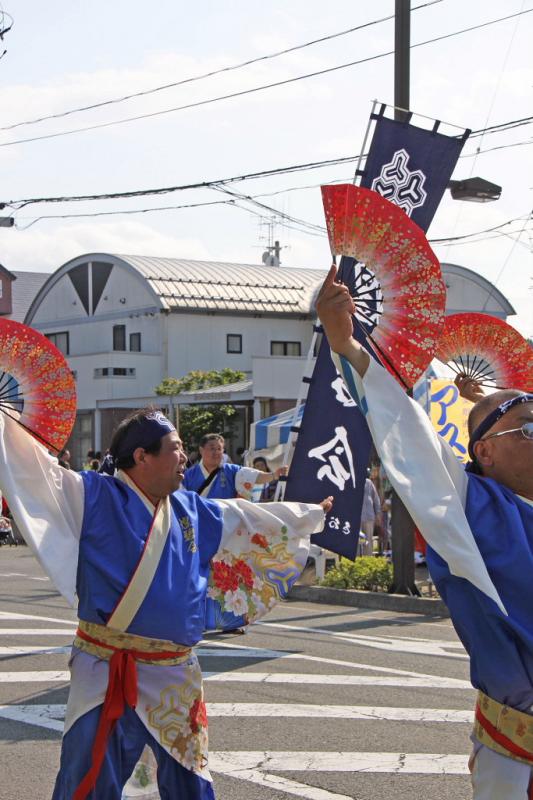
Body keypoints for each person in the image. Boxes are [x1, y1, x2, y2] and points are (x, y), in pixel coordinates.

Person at [0, 406, 331, 799]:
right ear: (141, 456)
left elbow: (246, 516)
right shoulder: (92, 495)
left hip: (174, 674)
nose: (184, 458)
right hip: (106, 669)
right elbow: (37, 473)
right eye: (174, 449)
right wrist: (5, 422)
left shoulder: (192, 510)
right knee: (87, 779)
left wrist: (306, 515)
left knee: (189, 781)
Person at [317, 264, 533, 800]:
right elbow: (409, 427)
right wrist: (347, 345)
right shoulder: (471, 510)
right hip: (520, 752)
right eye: (529, 428)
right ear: (483, 451)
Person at [182, 433, 287, 500]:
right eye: (212, 448)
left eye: (219, 449)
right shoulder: (189, 475)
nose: (216, 452)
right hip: (200, 522)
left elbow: (254, 476)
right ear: (201, 450)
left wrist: (274, 475)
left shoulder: (231, 470)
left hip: (226, 522)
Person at [360, 476, 382, 556]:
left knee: (368, 541)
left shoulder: (368, 482)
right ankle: (356, 563)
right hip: (356, 518)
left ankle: (368, 561)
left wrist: (378, 513)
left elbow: (376, 499)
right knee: (356, 542)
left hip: (369, 516)